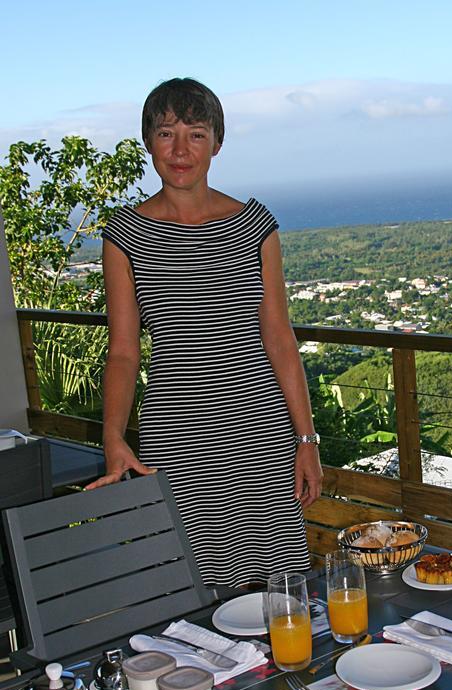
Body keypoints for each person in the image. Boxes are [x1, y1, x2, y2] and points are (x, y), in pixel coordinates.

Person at [87, 77, 322, 586]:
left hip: (260, 438)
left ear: (217, 142)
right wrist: (112, 437)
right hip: (176, 442)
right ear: (148, 141)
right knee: (186, 592)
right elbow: (124, 353)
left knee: (278, 593)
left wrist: (307, 440)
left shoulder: (255, 225)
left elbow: (279, 337)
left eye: (196, 134)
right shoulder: (124, 235)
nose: (180, 150)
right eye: (166, 133)